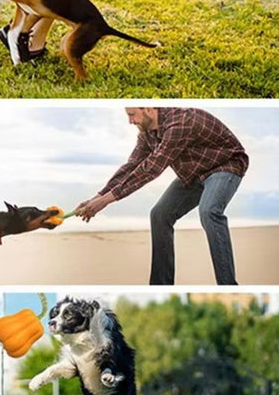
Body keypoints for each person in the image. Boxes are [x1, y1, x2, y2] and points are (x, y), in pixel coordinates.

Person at [75, 108, 248, 285]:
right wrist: (98, 196)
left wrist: (105, 201)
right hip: (193, 173)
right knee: (159, 215)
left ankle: (227, 284)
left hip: (225, 165)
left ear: (149, 109)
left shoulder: (180, 123)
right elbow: (132, 166)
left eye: (132, 114)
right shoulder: (146, 133)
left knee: (209, 211)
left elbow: (151, 169)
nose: (130, 121)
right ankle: (161, 284)